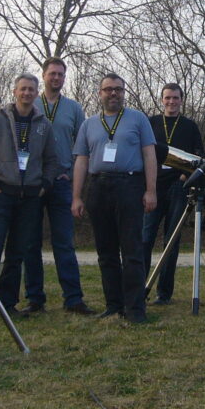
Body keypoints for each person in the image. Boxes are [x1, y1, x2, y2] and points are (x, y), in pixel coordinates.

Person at [0, 58, 95, 316]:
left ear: (64, 78)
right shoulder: (31, 103)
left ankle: (73, 298)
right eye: (52, 74)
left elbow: (82, 147)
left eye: (60, 74)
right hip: (32, 183)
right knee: (30, 242)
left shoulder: (73, 109)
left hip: (61, 181)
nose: (56, 78)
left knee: (64, 242)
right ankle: (35, 299)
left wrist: (73, 178)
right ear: (43, 76)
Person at [0, 74, 58, 324]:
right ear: (14, 91)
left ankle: (7, 304)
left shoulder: (43, 124)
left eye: (31, 90)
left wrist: (45, 185)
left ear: (36, 93)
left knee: (16, 254)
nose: (27, 93)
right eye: (23, 89)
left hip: (30, 197)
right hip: (2, 195)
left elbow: (52, 159)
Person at [71, 73, 157, 323]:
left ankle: (135, 309)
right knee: (106, 251)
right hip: (98, 187)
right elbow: (81, 161)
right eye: (108, 89)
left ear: (123, 92)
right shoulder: (89, 124)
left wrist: (150, 190)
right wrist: (77, 196)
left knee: (132, 251)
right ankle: (113, 304)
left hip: (129, 185)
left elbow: (150, 155)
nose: (113, 94)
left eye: (118, 89)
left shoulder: (138, 119)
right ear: (100, 93)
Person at [143, 82, 204, 305]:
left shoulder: (189, 126)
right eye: (167, 98)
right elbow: (143, 151)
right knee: (145, 237)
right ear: (162, 100)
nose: (171, 102)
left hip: (179, 186)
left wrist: (185, 176)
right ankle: (140, 288)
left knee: (171, 240)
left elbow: (199, 155)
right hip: (154, 185)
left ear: (181, 100)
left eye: (175, 98)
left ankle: (164, 293)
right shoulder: (151, 123)